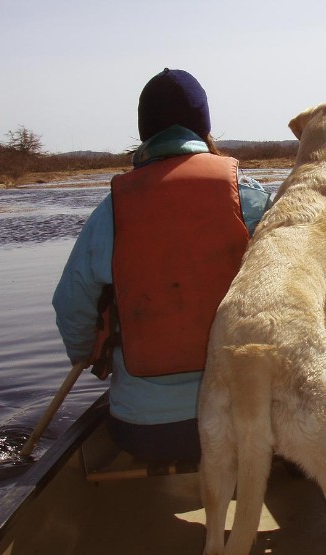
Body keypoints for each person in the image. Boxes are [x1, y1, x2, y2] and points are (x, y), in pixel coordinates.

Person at [52, 68, 270, 462]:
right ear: (204, 130)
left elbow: (71, 305)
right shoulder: (252, 201)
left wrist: (87, 352)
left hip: (145, 431)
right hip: (248, 424)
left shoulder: (111, 212)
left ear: (145, 134)